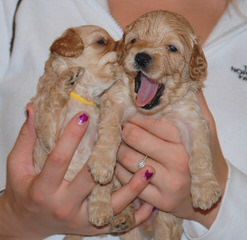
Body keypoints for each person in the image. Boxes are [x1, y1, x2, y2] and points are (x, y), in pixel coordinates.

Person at [0, 0, 246, 239]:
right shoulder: (17, 7)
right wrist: (13, 219)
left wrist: (221, 207)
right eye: (134, 41)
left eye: (172, 48)